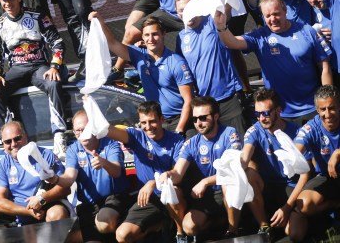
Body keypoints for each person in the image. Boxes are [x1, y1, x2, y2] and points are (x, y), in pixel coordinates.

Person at [214, 0, 333, 124]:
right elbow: (232, 42)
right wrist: (221, 27)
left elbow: (324, 66)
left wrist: (327, 101)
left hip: (312, 109)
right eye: (268, 15)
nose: (272, 19)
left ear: (285, 10)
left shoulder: (307, 30)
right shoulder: (260, 36)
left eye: (276, 14)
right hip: (279, 113)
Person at [0, 0, 68, 158]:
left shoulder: (38, 16)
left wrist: (54, 66)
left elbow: (57, 43)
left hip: (39, 66)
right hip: (16, 69)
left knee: (53, 82)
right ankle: (4, 138)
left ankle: (60, 135)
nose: (7, 3)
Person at [90, 12, 194, 134]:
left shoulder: (176, 62)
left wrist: (180, 129)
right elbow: (112, 44)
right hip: (156, 122)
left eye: (155, 34)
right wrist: (101, 22)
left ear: (163, 34)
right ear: (142, 37)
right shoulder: (138, 55)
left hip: (179, 120)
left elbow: (189, 100)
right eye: (147, 35)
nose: (151, 39)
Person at [161, 96, 245, 238]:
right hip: (207, 197)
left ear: (216, 116)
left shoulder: (230, 134)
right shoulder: (191, 143)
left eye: (203, 118)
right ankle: (219, 221)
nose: (198, 123)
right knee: (189, 228)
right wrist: (168, 175)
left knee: (228, 184)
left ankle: (233, 230)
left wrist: (205, 181)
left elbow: (233, 170)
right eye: (194, 119)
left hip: (230, 189)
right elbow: (178, 173)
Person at [105, 101, 186, 243]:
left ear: (162, 119)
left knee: (174, 190)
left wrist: (153, 183)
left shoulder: (177, 140)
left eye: (152, 121)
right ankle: (156, 227)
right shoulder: (136, 136)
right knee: (122, 235)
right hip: (148, 199)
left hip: (171, 196)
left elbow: (177, 175)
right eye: (144, 123)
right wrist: (90, 106)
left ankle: (181, 235)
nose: (148, 127)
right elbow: (108, 131)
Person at [240, 88, 309, 237]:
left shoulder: (297, 132)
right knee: (247, 174)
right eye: (257, 114)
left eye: (265, 113)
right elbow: (244, 158)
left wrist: (287, 207)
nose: (261, 118)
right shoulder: (255, 130)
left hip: (292, 186)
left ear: (278, 110)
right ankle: (264, 227)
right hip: (268, 185)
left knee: (295, 234)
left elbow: (305, 175)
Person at [175, 0, 246, 135]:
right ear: (177, 13)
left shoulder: (213, 22)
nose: (186, 12)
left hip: (229, 98)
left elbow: (226, 2)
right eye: (181, 10)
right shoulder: (181, 38)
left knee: (241, 149)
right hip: (203, 105)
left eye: (189, 7)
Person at [56, 110, 131, 243]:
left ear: (93, 128)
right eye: (77, 130)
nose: (81, 133)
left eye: (84, 129)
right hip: (88, 205)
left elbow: (116, 171)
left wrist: (104, 163)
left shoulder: (110, 144)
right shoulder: (73, 149)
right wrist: (54, 179)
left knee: (104, 222)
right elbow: (69, 177)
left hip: (114, 197)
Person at [0, 121, 70, 226]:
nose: (13, 144)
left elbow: (65, 188)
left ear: (26, 137)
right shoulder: (2, 165)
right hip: (23, 216)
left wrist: (42, 199)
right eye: (8, 141)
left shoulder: (45, 155)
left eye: (17, 138)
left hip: (49, 206)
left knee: (56, 213)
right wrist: (28, 211)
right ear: (3, 144)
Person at [289, 85, 340, 241]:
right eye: (322, 109)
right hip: (326, 177)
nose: (327, 114)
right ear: (317, 110)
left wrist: (338, 153)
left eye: (332, 108)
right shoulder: (311, 127)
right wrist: (291, 157)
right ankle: (334, 204)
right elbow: (296, 149)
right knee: (303, 205)